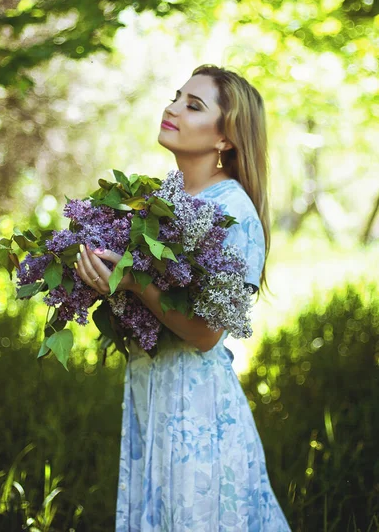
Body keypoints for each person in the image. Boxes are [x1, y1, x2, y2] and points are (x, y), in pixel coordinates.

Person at [76, 65, 291, 531]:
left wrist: (135, 283)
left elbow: (207, 334)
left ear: (226, 139)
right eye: (176, 97)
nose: (172, 108)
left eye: (193, 106)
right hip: (151, 392)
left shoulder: (234, 213)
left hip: (195, 409)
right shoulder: (162, 202)